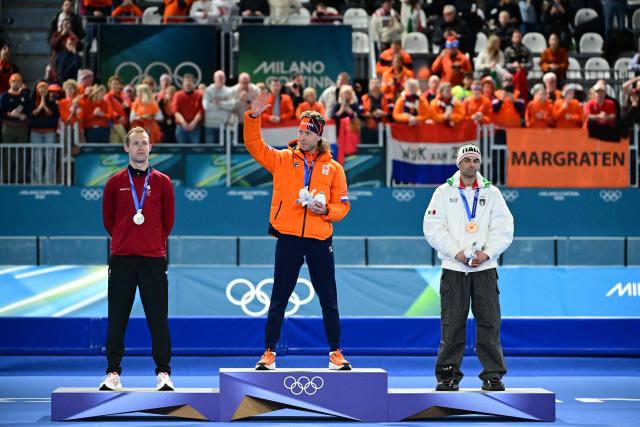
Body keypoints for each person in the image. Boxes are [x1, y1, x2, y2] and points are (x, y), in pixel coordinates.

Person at [244, 90, 352, 371]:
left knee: (329, 298)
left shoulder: (335, 168)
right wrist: (254, 117)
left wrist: (325, 210)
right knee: (279, 296)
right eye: (300, 131)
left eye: (307, 133)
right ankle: (269, 352)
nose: (301, 136)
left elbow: (343, 207)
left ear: (318, 136)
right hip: (289, 237)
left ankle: (335, 353)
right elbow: (255, 146)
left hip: (319, 238)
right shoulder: (281, 159)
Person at [423, 143, 513, 392]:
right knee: (452, 323)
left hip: (485, 268)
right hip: (454, 268)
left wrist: (487, 253)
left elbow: (504, 228)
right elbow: (432, 227)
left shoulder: (492, 193)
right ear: (458, 164)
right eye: (467, 160)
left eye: (475, 161)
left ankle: (493, 375)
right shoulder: (443, 192)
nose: (471, 165)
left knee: (489, 322)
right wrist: (456, 252)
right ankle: (448, 375)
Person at [100, 127, 175, 391]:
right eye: (135, 143)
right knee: (117, 317)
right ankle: (112, 372)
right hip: (122, 259)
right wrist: (126, 239)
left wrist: (151, 242)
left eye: (144, 143)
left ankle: (164, 373)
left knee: (158, 319)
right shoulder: (113, 182)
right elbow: (109, 221)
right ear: (126, 148)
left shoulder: (164, 182)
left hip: (153, 260)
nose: (140, 147)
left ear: (151, 147)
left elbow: (168, 222)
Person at [30, 81, 60, 184]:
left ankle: (49, 180)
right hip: (35, 133)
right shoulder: (31, 102)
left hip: (49, 133)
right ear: (37, 90)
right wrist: (39, 107)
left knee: (49, 157)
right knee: (37, 157)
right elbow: (30, 117)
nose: (42, 90)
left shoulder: (53, 104)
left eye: (45, 88)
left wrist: (45, 107)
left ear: (48, 91)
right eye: (40, 88)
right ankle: (37, 181)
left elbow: (55, 118)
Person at [202, 70, 235, 144]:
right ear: (214, 78)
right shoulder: (208, 90)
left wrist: (218, 103)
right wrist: (224, 105)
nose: (221, 79)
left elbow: (232, 106)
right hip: (210, 125)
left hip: (224, 126)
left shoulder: (229, 91)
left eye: (223, 77)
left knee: (224, 152)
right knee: (210, 151)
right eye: (219, 77)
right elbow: (206, 106)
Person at [172, 74, 203, 144]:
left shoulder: (199, 95)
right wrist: (183, 122)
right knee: (181, 149)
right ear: (183, 83)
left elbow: (201, 111)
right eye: (186, 81)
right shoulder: (178, 95)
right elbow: (175, 110)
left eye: (190, 81)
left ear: (193, 83)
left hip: (195, 126)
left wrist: (193, 123)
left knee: (194, 150)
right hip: (181, 126)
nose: (188, 83)